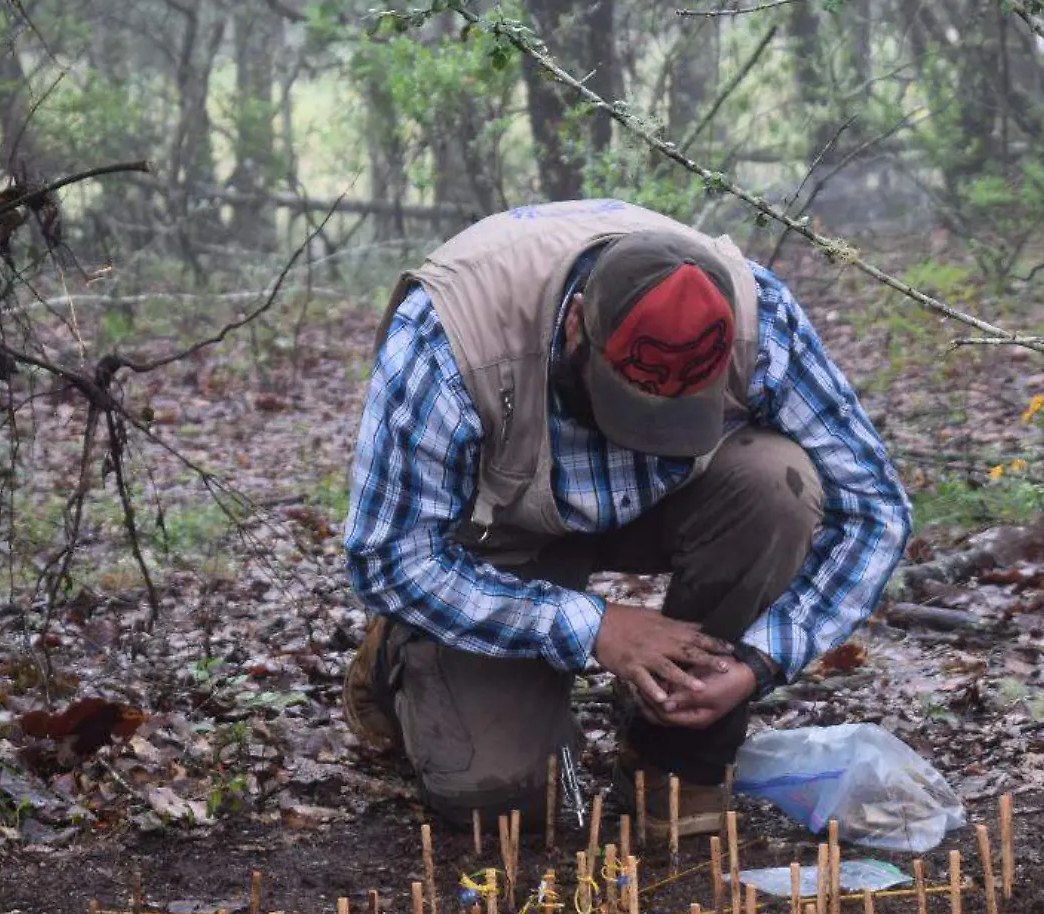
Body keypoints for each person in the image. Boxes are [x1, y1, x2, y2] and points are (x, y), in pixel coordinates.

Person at [341, 199, 909, 835]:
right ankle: (397, 657)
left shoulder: (758, 318)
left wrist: (759, 661)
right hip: (502, 530)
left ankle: (677, 753)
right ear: (579, 325)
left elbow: (875, 510)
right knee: (504, 799)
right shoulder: (449, 338)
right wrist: (593, 627)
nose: (647, 432)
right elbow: (388, 556)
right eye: (632, 405)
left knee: (777, 483)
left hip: (668, 500)